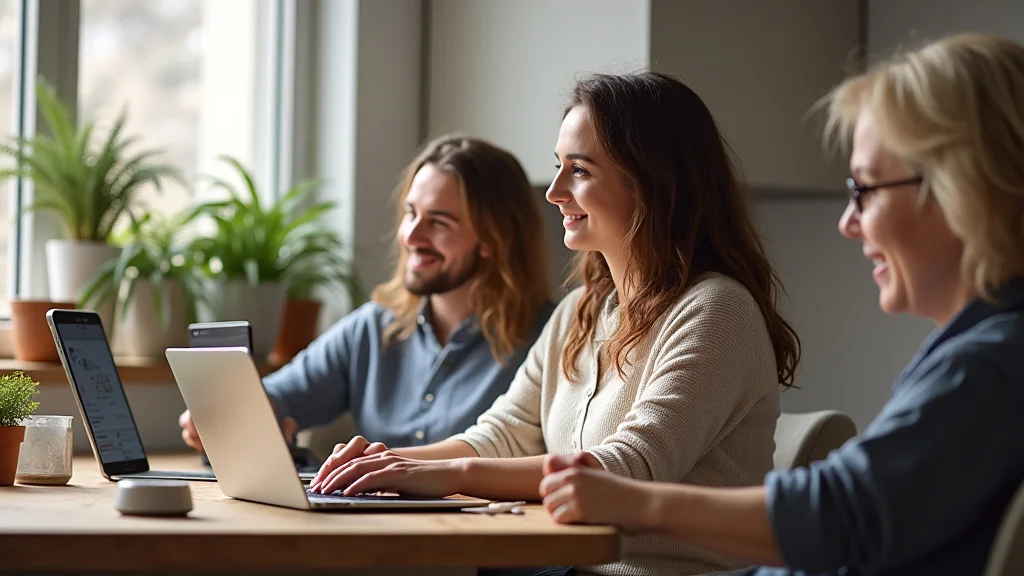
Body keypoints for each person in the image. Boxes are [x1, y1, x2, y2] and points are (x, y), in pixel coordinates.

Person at [538, 33, 1024, 576]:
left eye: (866, 189)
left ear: (966, 188)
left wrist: (634, 502)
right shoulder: (982, 354)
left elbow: (840, 516)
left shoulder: (988, 364)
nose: (849, 222)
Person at [308, 72, 801, 576]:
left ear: (653, 183)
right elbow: (504, 433)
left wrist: (445, 473)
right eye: (558, 167)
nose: (555, 192)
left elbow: (624, 469)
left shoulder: (716, 311)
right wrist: (388, 465)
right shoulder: (579, 311)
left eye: (580, 170)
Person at [178, 135, 555, 452]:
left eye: (439, 222)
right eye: (411, 214)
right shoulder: (374, 327)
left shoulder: (550, 340)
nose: (411, 236)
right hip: (371, 519)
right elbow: (286, 392)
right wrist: (231, 411)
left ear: (494, 239)